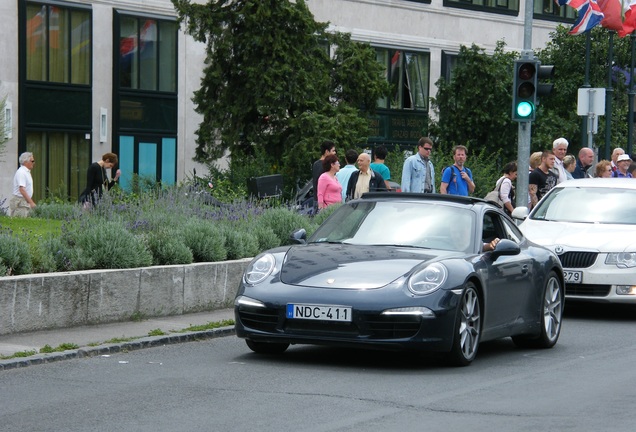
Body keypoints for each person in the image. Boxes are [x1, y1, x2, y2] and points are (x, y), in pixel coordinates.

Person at [9, 152, 37, 217]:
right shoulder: (21, 172)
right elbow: (22, 189)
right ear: (25, 162)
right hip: (20, 201)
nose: (33, 163)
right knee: (19, 221)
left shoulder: (26, 172)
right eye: (32, 161)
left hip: (24, 201)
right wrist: (31, 202)